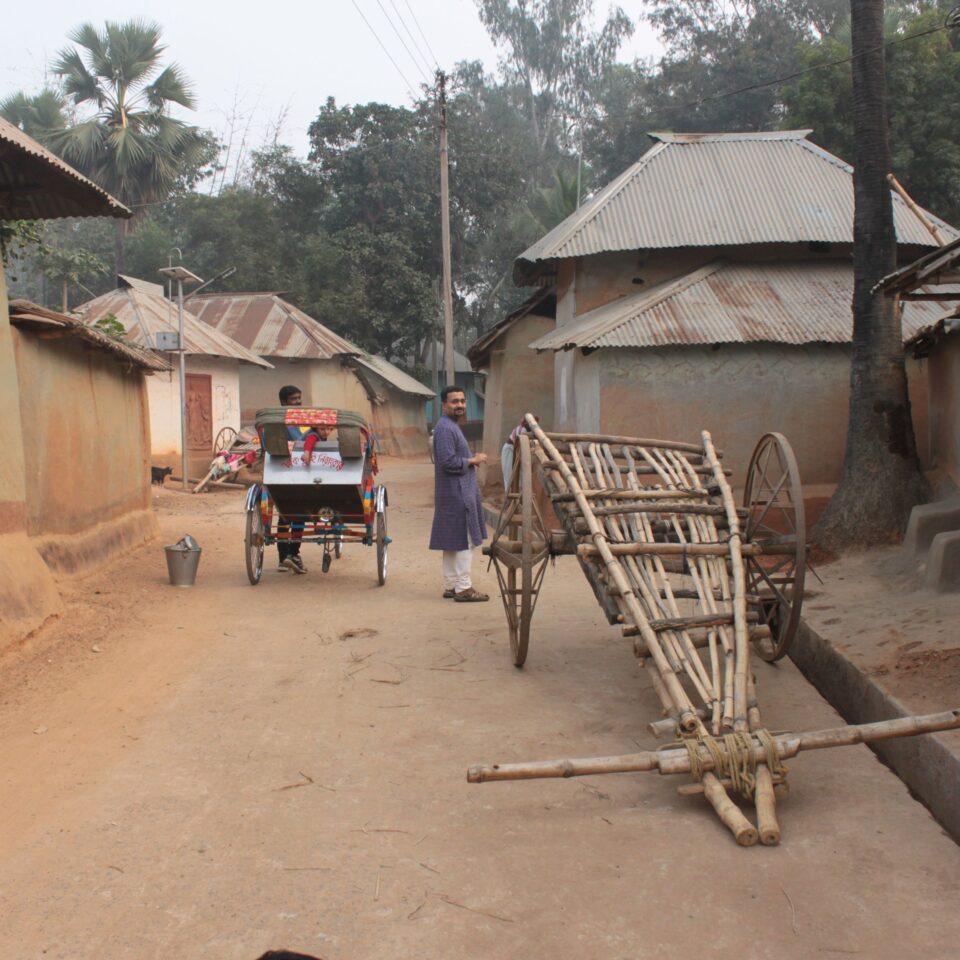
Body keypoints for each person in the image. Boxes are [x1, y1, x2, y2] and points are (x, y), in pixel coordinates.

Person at [429, 385, 489, 601]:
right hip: (458, 493)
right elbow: (447, 462)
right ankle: (463, 588)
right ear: (444, 405)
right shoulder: (446, 428)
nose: (460, 405)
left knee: (452, 540)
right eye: (455, 402)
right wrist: (473, 460)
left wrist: (471, 456)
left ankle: (451, 584)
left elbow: (452, 456)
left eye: (463, 401)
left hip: (453, 493)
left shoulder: (449, 426)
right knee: (465, 541)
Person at [276, 385, 308, 574]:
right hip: (293, 470)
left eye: (299, 398)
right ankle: (293, 554)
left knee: (283, 515)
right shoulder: (287, 421)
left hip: (282, 472)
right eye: (294, 399)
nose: (298, 402)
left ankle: (283, 558)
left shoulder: (299, 419)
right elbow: (301, 442)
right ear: (283, 402)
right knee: (299, 514)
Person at [501, 415, 539, 490]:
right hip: (510, 451)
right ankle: (509, 497)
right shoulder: (522, 430)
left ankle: (520, 497)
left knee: (521, 476)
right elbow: (520, 444)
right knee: (509, 475)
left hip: (519, 453)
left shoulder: (530, 432)